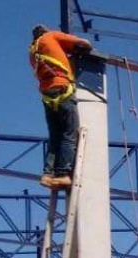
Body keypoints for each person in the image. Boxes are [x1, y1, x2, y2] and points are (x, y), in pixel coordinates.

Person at [29, 25, 93, 189]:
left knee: (55, 136)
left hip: (48, 96)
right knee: (69, 133)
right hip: (62, 89)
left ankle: (47, 174)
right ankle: (63, 174)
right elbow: (84, 43)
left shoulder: (33, 53)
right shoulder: (52, 36)